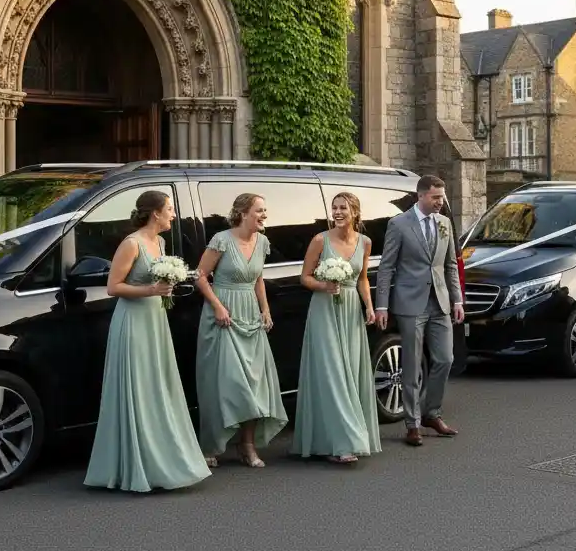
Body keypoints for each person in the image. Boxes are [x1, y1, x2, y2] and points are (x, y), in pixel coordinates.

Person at [84, 191, 211, 493]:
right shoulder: (132, 244)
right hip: (133, 323)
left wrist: (168, 287)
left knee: (158, 386)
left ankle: (162, 458)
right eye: (169, 209)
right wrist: (152, 291)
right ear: (154, 213)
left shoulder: (161, 243)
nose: (173, 214)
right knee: (137, 387)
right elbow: (113, 287)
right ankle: (134, 463)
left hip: (156, 321)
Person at [194, 193, 287, 467]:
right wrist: (218, 307)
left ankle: (247, 446)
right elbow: (199, 276)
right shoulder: (222, 240)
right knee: (223, 383)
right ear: (243, 213)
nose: (264, 215)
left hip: (250, 316)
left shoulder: (263, 242)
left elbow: (257, 278)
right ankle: (211, 444)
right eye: (259, 210)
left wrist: (265, 309)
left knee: (256, 384)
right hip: (223, 316)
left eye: (265, 210)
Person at [292, 192, 381, 465]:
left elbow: (363, 278)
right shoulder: (320, 240)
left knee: (349, 374)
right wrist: (324, 286)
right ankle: (341, 442)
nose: (338, 212)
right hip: (324, 311)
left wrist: (369, 305)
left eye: (343, 208)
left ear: (355, 212)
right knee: (331, 374)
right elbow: (304, 277)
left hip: (351, 310)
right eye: (335, 208)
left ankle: (344, 437)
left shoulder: (364, 242)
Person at [376, 175, 465, 447]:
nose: (441, 202)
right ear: (421, 196)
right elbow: (387, 267)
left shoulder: (445, 223)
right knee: (412, 364)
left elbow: (450, 265)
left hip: (439, 302)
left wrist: (457, 300)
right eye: (436, 197)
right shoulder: (398, 224)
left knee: (445, 359)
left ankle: (431, 413)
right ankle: (412, 423)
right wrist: (382, 304)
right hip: (409, 303)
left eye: (442, 197)